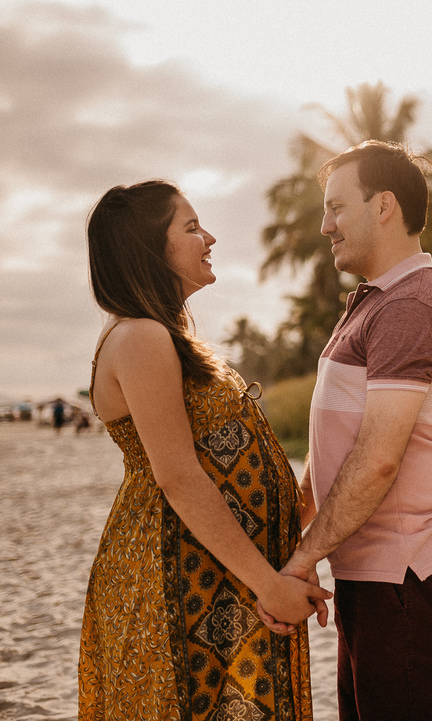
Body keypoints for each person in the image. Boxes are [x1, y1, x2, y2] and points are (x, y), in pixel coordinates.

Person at [79, 180, 330, 720]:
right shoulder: (142, 337)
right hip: (177, 578)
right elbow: (179, 476)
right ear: (149, 248)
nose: (208, 237)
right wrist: (268, 583)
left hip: (215, 574)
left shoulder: (159, 335)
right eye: (190, 228)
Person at [264, 141, 432, 721]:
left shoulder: (411, 305)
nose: (324, 224)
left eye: (337, 207)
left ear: (383, 205)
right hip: (373, 565)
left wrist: (305, 557)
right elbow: (336, 445)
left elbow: (378, 458)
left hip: (410, 567)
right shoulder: (374, 300)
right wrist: (295, 534)